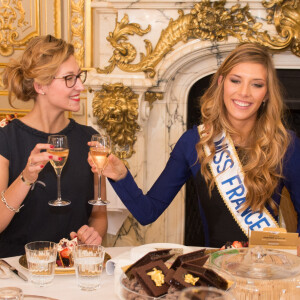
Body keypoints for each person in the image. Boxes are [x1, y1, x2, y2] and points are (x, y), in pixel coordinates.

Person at [97, 43, 300, 248]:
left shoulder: (284, 144)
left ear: (266, 94)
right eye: (235, 80)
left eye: (256, 84)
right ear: (221, 82)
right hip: (217, 269)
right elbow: (147, 212)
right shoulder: (194, 142)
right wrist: (121, 176)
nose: (244, 92)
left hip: (266, 270)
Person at [0, 35, 107, 258]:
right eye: (69, 78)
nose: (80, 85)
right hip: (19, 273)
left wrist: (92, 236)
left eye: (79, 76)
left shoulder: (90, 140)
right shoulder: (6, 140)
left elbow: (98, 215)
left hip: (72, 270)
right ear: (40, 86)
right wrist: (25, 178)